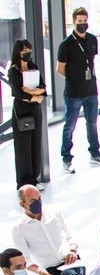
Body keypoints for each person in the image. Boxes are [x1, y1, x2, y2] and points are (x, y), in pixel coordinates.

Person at [56, 7, 100, 174]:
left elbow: (91, 62)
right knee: (70, 126)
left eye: (85, 21)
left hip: (91, 89)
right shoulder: (66, 44)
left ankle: (95, 153)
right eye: (79, 22)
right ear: (74, 22)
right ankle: (66, 158)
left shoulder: (92, 40)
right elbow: (60, 69)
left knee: (92, 123)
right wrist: (74, 79)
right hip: (73, 93)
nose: (83, 24)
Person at [8, 39, 46, 189]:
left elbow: (42, 87)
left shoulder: (32, 67)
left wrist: (30, 91)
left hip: (34, 110)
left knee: (35, 142)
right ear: (18, 52)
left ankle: (34, 179)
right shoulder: (14, 71)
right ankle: (25, 182)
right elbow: (17, 93)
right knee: (23, 146)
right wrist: (33, 96)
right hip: (22, 111)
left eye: (28, 50)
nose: (27, 54)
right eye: (24, 51)